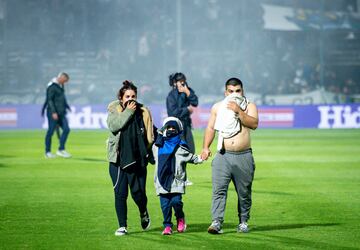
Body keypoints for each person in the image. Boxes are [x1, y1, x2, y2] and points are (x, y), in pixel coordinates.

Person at [201, 77, 258, 234]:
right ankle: (216, 222)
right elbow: (211, 128)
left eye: (237, 91)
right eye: (231, 91)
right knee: (218, 190)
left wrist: (238, 111)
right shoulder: (218, 107)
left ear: (242, 91)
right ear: (226, 92)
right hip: (223, 155)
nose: (234, 94)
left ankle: (243, 221)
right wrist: (205, 147)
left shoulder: (249, 105)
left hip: (243, 155)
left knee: (244, 192)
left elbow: (253, 124)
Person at [106, 80, 154, 236]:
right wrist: (128, 112)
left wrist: (142, 153)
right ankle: (122, 225)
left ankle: (143, 211)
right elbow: (114, 126)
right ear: (121, 98)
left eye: (133, 96)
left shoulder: (144, 112)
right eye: (127, 96)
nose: (130, 99)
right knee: (120, 194)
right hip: (118, 160)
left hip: (137, 160)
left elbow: (149, 137)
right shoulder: (114, 110)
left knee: (138, 193)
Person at [153, 117, 203, 235]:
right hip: (161, 180)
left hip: (176, 181)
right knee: (165, 205)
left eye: (173, 128)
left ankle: (180, 218)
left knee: (176, 202)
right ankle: (167, 226)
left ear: (178, 130)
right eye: (168, 127)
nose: (171, 130)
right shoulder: (157, 146)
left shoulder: (181, 147)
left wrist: (201, 158)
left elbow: (191, 157)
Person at [166, 72, 198, 185]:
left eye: (184, 81)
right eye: (180, 81)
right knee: (178, 152)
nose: (183, 83)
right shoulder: (171, 96)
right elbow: (172, 112)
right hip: (175, 127)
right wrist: (187, 110)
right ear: (175, 83)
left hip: (186, 126)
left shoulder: (186, 91)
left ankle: (182, 177)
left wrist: (187, 92)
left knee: (189, 150)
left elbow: (195, 102)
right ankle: (178, 177)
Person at [44, 72, 71, 158]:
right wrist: (53, 112)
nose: (65, 83)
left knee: (66, 129)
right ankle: (47, 152)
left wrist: (67, 106)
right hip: (53, 113)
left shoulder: (60, 86)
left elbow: (61, 98)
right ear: (61, 78)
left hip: (61, 113)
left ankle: (61, 149)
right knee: (50, 131)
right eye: (65, 80)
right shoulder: (51, 86)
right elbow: (50, 100)